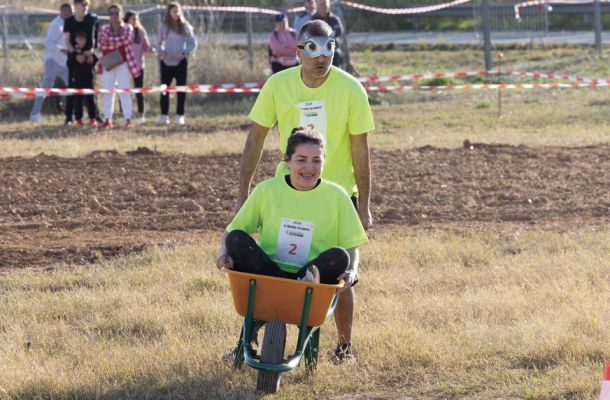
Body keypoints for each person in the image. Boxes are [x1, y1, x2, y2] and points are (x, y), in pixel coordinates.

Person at [236, 20, 374, 362]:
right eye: (312, 50)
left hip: (337, 196)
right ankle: (247, 343)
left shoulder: (351, 89)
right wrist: (244, 191)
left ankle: (344, 348)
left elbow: (361, 150)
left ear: (334, 50)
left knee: (341, 274)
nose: (321, 58)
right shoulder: (277, 85)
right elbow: (256, 137)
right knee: (272, 270)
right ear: (298, 53)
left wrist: (364, 205)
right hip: (289, 192)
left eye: (328, 49)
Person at [219, 128, 367, 363]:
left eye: (316, 160)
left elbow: (351, 246)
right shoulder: (266, 190)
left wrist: (352, 271)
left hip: (312, 282)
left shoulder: (337, 196)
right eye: (301, 160)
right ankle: (290, 285)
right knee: (236, 238)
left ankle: (303, 281)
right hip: (267, 276)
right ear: (286, 161)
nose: (309, 168)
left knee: (339, 256)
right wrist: (224, 254)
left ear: (324, 162)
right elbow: (230, 232)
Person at [97, 4, 139, 129]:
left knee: (124, 90)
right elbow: (101, 44)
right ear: (108, 16)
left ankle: (127, 118)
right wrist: (116, 42)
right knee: (108, 91)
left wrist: (110, 42)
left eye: (117, 13)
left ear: (121, 14)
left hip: (123, 62)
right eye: (112, 13)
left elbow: (126, 40)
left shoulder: (128, 27)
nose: (114, 16)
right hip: (108, 63)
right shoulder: (103, 29)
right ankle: (107, 119)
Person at [156, 2, 197, 126]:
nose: (176, 13)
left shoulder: (185, 26)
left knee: (181, 89)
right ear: (169, 13)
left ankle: (180, 115)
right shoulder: (163, 27)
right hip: (166, 63)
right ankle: (164, 115)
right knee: (164, 89)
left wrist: (183, 53)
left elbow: (193, 43)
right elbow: (158, 43)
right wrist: (161, 52)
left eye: (178, 11)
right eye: (173, 11)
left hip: (180, 63)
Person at [30, 3, 72, 123]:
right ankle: (35, 113)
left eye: (71, 12)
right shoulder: (55, 25)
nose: (70, 14)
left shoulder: (70, 23)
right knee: (45, 88)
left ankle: (72, 113)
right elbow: (48, 43)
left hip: (65, 63)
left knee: (73, 86)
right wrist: (61, 49)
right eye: (69, 11)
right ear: (62, 11)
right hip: (52, 61)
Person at [63, 0, 99, 126]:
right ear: (75, 6)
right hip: (74, 59)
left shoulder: (92, 20)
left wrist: (90, 53)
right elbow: (67, 41)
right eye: (82, 5)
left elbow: (95, 41)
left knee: (91, 88)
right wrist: (75, 54)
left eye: (86, 5)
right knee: (73, 89)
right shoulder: (69, 21)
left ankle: (94, 116)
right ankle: (69, 116)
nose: (84, 8)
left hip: (89, 58)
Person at [124, 11, 155, 125]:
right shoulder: (123, 32)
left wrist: (151, 50)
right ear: (127, 20)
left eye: (136, 19)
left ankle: (141, 114)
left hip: (138, 66)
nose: (135, 21)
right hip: (125, 66)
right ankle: (126, 114)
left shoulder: (141, 32)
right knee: (125, 91)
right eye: (132, 19)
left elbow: (146, 47)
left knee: (139, 91)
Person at [68, 30, 98, 125]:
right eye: (79, 39)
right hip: (77, 79)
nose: (81, 41)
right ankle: (79, 119)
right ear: (76, 40)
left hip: (89, 78)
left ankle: (93, 118)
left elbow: (96, 60)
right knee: (78, 100)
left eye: (83, 39)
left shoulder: (89, 50)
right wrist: (76, 58)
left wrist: (91, 59)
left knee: (91, 100)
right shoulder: (73, 51)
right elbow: (69, 63)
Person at [311, 0, 344, 68]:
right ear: (317, 5)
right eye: (321, 4)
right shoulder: (313, 19)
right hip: (318, 52)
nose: (323, 6)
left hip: (333, 51)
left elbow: (339, 31)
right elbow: (311, 32)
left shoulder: (334, 19)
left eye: (325, 4)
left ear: (328, 5)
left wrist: (324, 34)